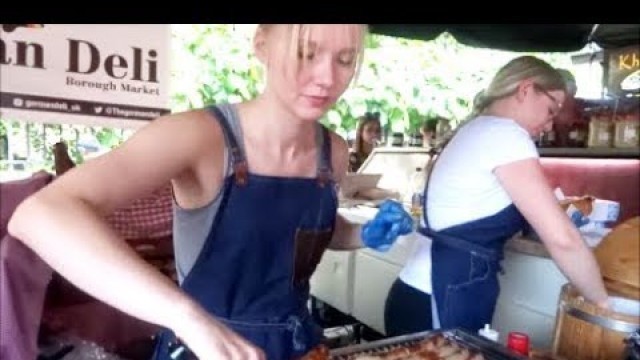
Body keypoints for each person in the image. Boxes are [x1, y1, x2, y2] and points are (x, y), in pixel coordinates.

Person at [8, 24, 413, 360]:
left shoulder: (334, 152)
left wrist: (362, 234)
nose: (326, 77)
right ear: (262, 44)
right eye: (307, 52)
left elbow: (311, 234)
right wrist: (187, 318)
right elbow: (42, 213)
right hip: (204, 346)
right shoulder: (200, 137)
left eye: (344, 60)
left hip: (299, 344)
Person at [384, 55, 610, 336]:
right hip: (439, 302)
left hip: (418, 295)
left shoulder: (477, 129)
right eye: (550, 110)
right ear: (526, 90)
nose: (550, 125)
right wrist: (604, 307)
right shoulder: (506, 135)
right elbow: (562, 239)